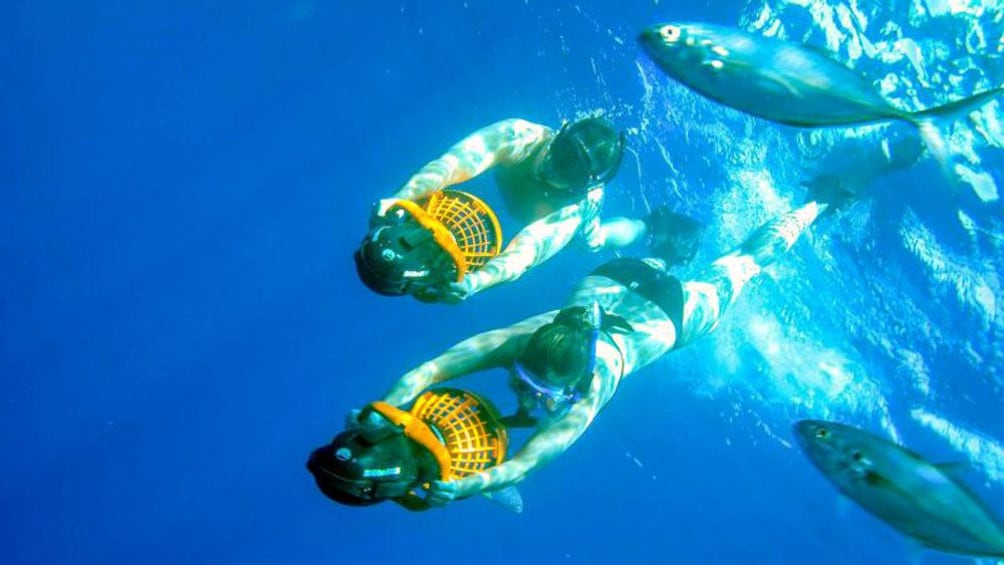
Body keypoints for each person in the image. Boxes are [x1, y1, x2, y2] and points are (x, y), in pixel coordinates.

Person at [325, 181, 853, 508]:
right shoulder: (524, 340)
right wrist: (385, 409)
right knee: (666, 259)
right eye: (522, 381)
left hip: (673, 315)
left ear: (574, 387)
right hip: (615, 281)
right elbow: (433, 368)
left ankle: (815, 204)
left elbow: (527, 462)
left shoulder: (591, 392)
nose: (528, 397)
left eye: (542, 393)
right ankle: (667, 240)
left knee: (745, 262)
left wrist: (468, 486)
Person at [353, 117, 705, 302]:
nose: (555, 170)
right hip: (528, 188)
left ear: (587, 183)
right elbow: (451, 164)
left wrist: (476, 282)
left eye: (572, 171)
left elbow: (524, 254)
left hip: (559, 216)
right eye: (561, 153)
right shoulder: (521, 135)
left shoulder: (575, 209)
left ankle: (649, 224)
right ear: (558, 135)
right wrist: (402, 196)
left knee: (594, 240)